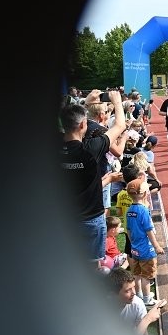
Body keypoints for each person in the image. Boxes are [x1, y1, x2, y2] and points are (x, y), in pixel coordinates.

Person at [60, 89, 127, 270]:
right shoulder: (91, 149)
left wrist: (84, 103)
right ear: (83, 124)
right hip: (91, 219)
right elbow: (120, 126)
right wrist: (117, 101)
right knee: (92, 267)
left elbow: (69, 121)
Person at [125, 177, 164, 307]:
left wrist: (132, 243)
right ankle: (147, 299)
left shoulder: (130, 210)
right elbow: (149, 231)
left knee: (136, 274)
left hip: (135, 248)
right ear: (145, 194)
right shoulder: (143, 211)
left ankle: (139, 295)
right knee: (147, 275)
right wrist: (157, 246)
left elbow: (129, 230)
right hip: (146, 249)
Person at [109, 268, 165, 335]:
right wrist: (147, 319)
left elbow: (143, 333)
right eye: (127, 290)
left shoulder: (137, 304)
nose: (134, 293)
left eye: (133, 287)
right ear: (113, 294)